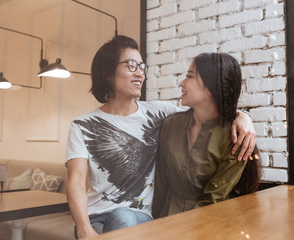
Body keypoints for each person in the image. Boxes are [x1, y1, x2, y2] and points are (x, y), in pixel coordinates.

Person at [65, 36, 256, 239]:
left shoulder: (159, 113)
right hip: (95, 218)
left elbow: (208, 110)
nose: (140, 73)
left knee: (122, 218)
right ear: (108, 73)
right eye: (131, 66)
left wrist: (243, 116)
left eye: (141, 67)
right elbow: (75, 181)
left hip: (140, 218)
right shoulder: (82, 125)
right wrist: (84, 229)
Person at [152, 53, 262, 218]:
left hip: (211, 224)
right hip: (165, 219)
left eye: (189, 77)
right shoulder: (170, 125)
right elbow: (160, 185)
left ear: (212, 87)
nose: (181, 83)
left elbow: (214, 198)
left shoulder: (236, 137)